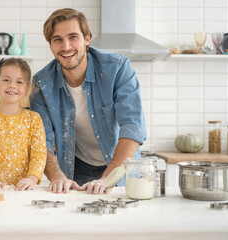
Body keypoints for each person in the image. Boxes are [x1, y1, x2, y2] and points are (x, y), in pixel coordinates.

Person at [30, 8, 146, 195]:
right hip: (78, 169)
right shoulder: (41, 83)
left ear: (87, 39)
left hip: (122, 166)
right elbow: (40, 141)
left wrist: (107, 179)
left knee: (125, 221)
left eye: (73, 37)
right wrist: (57, 176)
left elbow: (132, 127)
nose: (66, 46)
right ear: (51, 45)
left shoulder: (117, 69)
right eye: (57, 39)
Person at [0, 58, 47, 192]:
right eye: (6, 80)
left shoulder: (34, 119)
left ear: (26, 89)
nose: (12, 86)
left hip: (24, 191)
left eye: (19, 82)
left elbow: (39, 155)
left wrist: (31, 179)